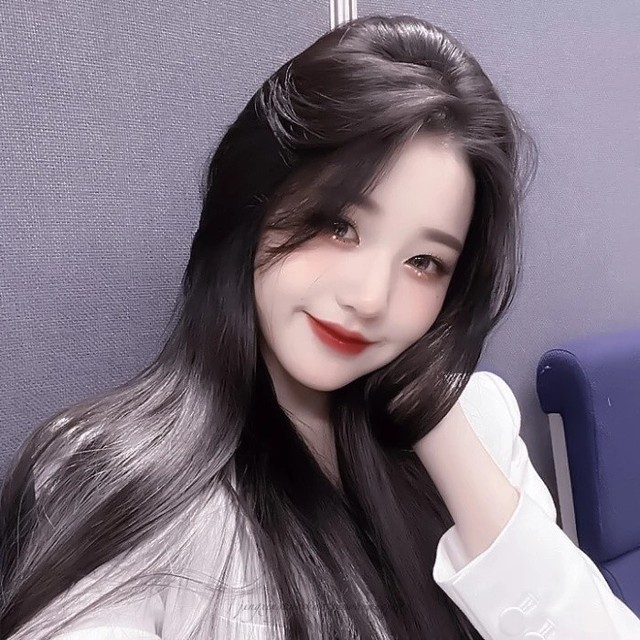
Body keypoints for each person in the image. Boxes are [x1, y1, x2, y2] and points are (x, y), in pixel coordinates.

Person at [1, 13, 638, 640]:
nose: (370, 298)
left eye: (424, 262)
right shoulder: (109, 479)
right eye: (339, 226)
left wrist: (442, 436)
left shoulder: (478, 420)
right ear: (257, 201)